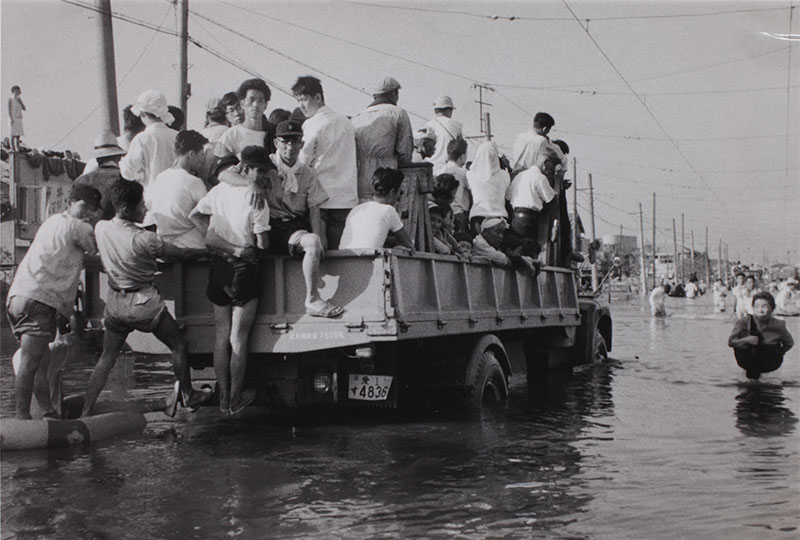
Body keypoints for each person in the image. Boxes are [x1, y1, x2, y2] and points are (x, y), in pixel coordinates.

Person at [82, 180, 211, 417]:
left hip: (115, 303)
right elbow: (184, 254)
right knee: (179, 345)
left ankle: (86, 410)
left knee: (107, 357)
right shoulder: (145, 239)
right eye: (140, 205)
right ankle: (188, 394)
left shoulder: (101, 228)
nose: (145, 210)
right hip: (143, 303)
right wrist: (210, 251)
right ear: (124, 209)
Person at [218, 122, 342, 318]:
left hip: (293, 228)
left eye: (295, 141)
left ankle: (311, 299)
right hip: (267, 226)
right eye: (285, 142)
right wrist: (251, 184)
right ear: (276, 142)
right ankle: (312, 299)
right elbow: (224, 174)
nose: (290, 147)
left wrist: (320, 238)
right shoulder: (266, 164)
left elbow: (314, 209)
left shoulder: (307, 173)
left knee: (314, 242)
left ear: (302, 144)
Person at [6, 184, 103, 419]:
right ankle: (21, 419)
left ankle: (48, 412)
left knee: (41, 360)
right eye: (85, 206)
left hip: (18, 297)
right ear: (71, 201)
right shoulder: (79, 227)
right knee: (30, 362)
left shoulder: (51, 222)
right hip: (39, 298)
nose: (89, 212)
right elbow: (99, 258)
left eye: (93, 209)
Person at [189, 146, 272, 416]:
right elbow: (263, 243)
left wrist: (216, 241)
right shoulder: (258, 198)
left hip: (219, 265)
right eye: (260, 170)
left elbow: (195, 215)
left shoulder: (219, 191)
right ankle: (235, 400)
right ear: (245, 168)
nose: (262, 175)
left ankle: (223, 397)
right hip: (244, 268)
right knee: (239, 338)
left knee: (220, 336)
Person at [292, 76, 359, 249]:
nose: (301, 105)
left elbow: (303, 160)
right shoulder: (346, 122)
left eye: (304, 99)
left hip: (321, 197)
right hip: (346, 196)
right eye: (298, 100)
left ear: (318, 98)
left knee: (322, 252)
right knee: (343, 250)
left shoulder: (313, 123)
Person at [352, 75, 414, 201]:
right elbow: (405, 152)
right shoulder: (398, 113)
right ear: (394, 93)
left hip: (361, 179)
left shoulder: (357, 116)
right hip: (386, 177)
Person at [148, 130, 213, 249]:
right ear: (192, 154)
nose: (202, 160)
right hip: (192, 247)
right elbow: (206, 218)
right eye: (201, 155)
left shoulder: (160, 178)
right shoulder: (193, 182)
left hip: (164, 245)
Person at [119, 90, 178, 209]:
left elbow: (128, 173)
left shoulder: (142, 138)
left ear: (143, 114)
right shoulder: (177, 136)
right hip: (176, 197)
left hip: (152, 199)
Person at [339, 167, 414, 251]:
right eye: (400, 192)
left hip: (342, 259)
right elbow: (409, 245)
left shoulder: (356, 209)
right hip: (368, 261)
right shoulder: (389, 210)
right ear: (392, 192)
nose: (400, 196)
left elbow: (365, 236)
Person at [729, 292, 794, 380]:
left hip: (769, 361)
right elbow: (731, 342)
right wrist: (746, 340)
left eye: (764, 306)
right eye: (757, 306)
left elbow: (789, 343)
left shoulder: (779, 325)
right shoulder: (744, 322)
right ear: (753, 308)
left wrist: (779, 352)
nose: (760, 310)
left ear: (772, 308)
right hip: (747, 358)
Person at [507, 147, 558, 257]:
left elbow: (509, 197)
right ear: (545, 163)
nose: (550, 172)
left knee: (518, 250)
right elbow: (550, 198)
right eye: (551, 168)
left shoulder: (519, 176)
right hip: (529, 219)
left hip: (515, 218)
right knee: (528, 252)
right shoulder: (539, 178)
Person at [215, 79, 277, 159]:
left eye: (260, 100)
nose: (255, 104)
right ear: (242, 103)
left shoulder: (275, 134)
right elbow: (220, 166)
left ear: (265, 105)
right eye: (251, 100)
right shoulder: (231, 135)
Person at [74, 131, 126, 220]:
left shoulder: (81, 181)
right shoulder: (124, 180)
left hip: (87, 228)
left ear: (97, 158)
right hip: (113, 230)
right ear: (119, 157)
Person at [467, 141, 510, 235]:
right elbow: (507, 196)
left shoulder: (470, 174)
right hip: (499, 216)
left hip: (477, 216)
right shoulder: (504, 175)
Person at [471, 217, 541, 274]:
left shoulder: (488, 245)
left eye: (502, 233)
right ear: (485, 232)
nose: (501, 236)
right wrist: (529, 261)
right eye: (497, 232)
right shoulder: (479, 244)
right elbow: (503, 259)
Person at [424, 95, 463, 173]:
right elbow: (461, 147)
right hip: (450, 167)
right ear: (449, 110)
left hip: (432, 167)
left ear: (435, 110)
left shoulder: (429, 124)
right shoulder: (457, 125)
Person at [511, 112, 555, 176]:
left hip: (515, 176)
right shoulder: (541, 140)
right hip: (530, 176)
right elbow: (542, 162)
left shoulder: (519, 137)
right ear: (545, 129)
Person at [441, 138, 470, 235]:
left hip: (443, 212)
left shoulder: (440, 170)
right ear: (462, 156)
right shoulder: (463, 173)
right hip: (459, 213)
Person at [8, 85, 25, 151]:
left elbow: (24, 108)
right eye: (17, 90)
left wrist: (20, 102)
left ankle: (18, 148)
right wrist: (11, 119)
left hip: (19, 117)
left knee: (18, 134)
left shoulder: (19, 99)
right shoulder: (10, 99)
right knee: (12, 134)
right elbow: (9, 110)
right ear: (14, 90)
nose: (19, 92)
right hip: (13, 117)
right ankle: (12, 148)